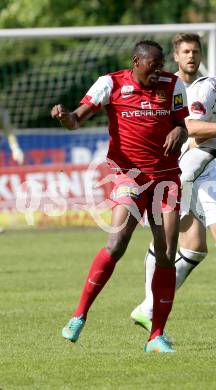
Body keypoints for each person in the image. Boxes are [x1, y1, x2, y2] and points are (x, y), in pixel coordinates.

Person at [51, 40, 192, 353]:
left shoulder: (173, 84)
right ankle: (79, 315)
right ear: (136, 62)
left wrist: (178, 131)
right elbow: (76, 120)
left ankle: (156, 336)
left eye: (161, 65)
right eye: (153, 65)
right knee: (117, 243)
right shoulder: (110, 83)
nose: (159, 70)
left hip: (166, 179)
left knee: (167, 253)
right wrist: (64, 116)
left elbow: (183, 124)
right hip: (128, 177)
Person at [131, 39, 216, 334]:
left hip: (204, 170)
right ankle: (149, 306)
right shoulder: (206, 89)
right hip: (179, 169)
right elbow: (190, 126)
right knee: (178, 244)